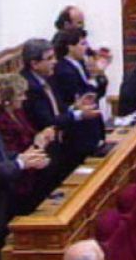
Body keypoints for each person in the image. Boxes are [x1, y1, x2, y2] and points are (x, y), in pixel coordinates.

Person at [20, 38, 99, 181]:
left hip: (60, 141)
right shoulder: (29, 87)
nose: (55, 62)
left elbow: (58, 107)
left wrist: (75, 106)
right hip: (43, 149)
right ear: (34, 64)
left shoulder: (48, 78)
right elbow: (48, 121)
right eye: (49, 58)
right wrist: (79, 114)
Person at [0, 74, 56, 214]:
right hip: (16, 181)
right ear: (7, 99)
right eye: (20, 95)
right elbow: (9, 152)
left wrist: (41, 138)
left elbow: (29, 134)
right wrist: (33, 151)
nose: (24, 98)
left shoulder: (18, 112)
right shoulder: (2, 119)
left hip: (29, 171)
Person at [53, 28, 107, 161]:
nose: (86, 47)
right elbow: (84, 97)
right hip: (78, 131)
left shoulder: (81, 63)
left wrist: (100, 75)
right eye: (82, 44)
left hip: (92, 124)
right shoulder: (64, 70)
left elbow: (98, 93)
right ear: (70, 47)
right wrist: (96, 77)